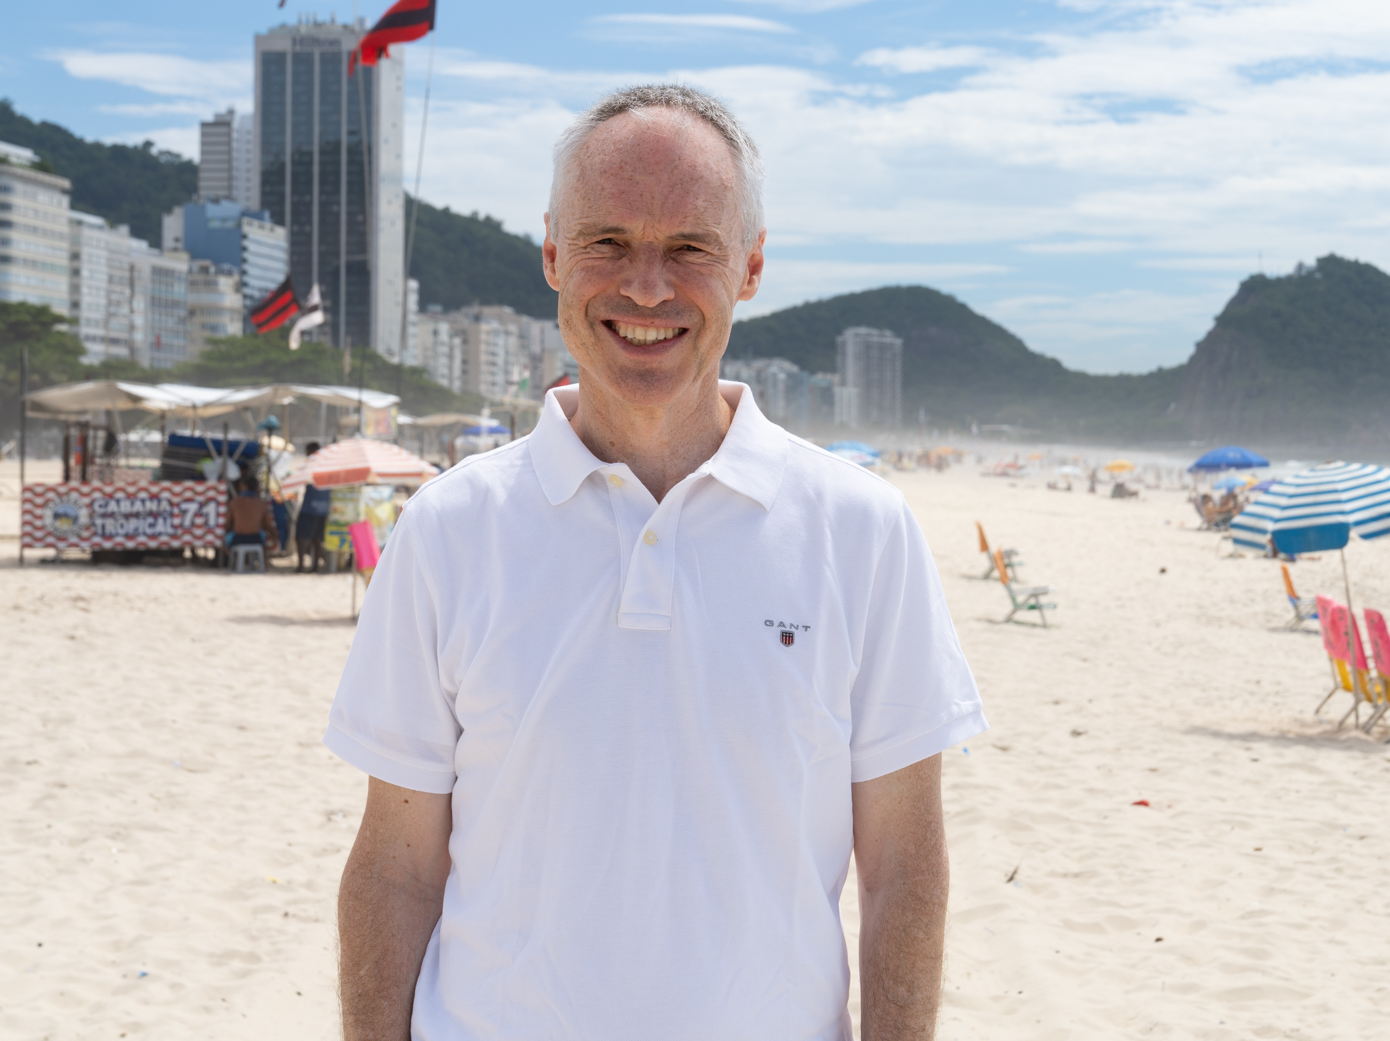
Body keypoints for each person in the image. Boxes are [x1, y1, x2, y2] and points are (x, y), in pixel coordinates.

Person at [327, 85, 986, 1041]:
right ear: (553, 254)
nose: (645, 287)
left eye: (690, 248)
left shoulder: (864, 533)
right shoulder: (447, 530)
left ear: (751, 266)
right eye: (608, 243)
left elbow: (903, 871)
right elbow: (395, 866)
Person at [293, 442, 332, 573]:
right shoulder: (327, 466)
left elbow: (298, 479)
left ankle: (301, 566)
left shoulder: (311, 466)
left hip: (309, 508)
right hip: (323, 508)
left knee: (301, 538)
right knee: (317, 539)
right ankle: (314, 567)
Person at [222, 475, 276, 561]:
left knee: (222, 540)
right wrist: (275, 537)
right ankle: (263, 563)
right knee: (265, 537)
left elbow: (227, 524)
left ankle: (235, 562)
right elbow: (268, 526)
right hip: (256, 539)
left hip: (238, 539)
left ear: (244, 486)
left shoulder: (235, 502)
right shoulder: (261, 504)